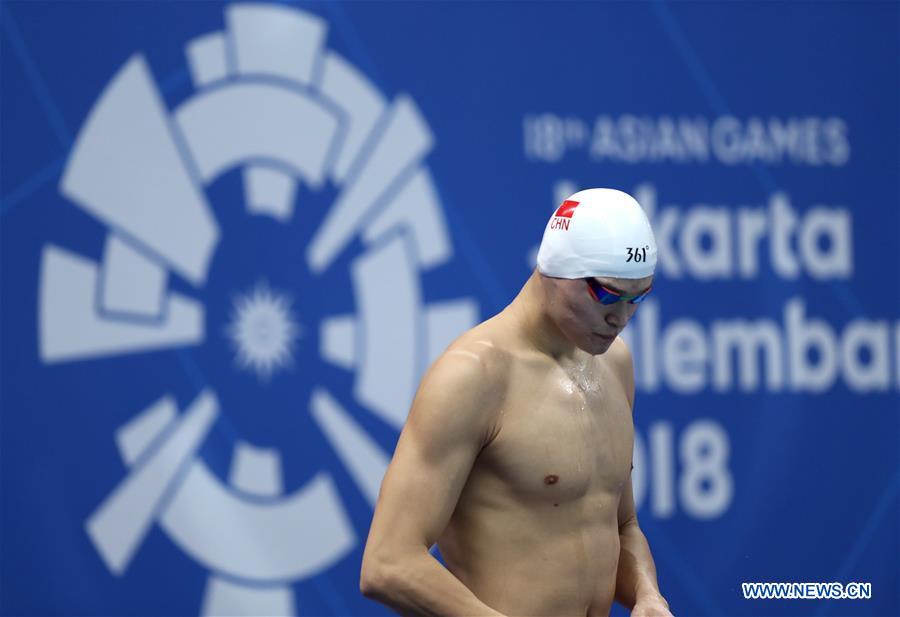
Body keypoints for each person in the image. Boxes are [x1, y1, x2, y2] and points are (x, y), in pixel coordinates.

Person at [360, 188, 672, 617]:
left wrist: (647, 595)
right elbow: (387, 563)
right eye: (606, 295)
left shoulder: (614, 365)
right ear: (557, 269)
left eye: (637, 297)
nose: (620, 317)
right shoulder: (474, 376)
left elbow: (621, 525)